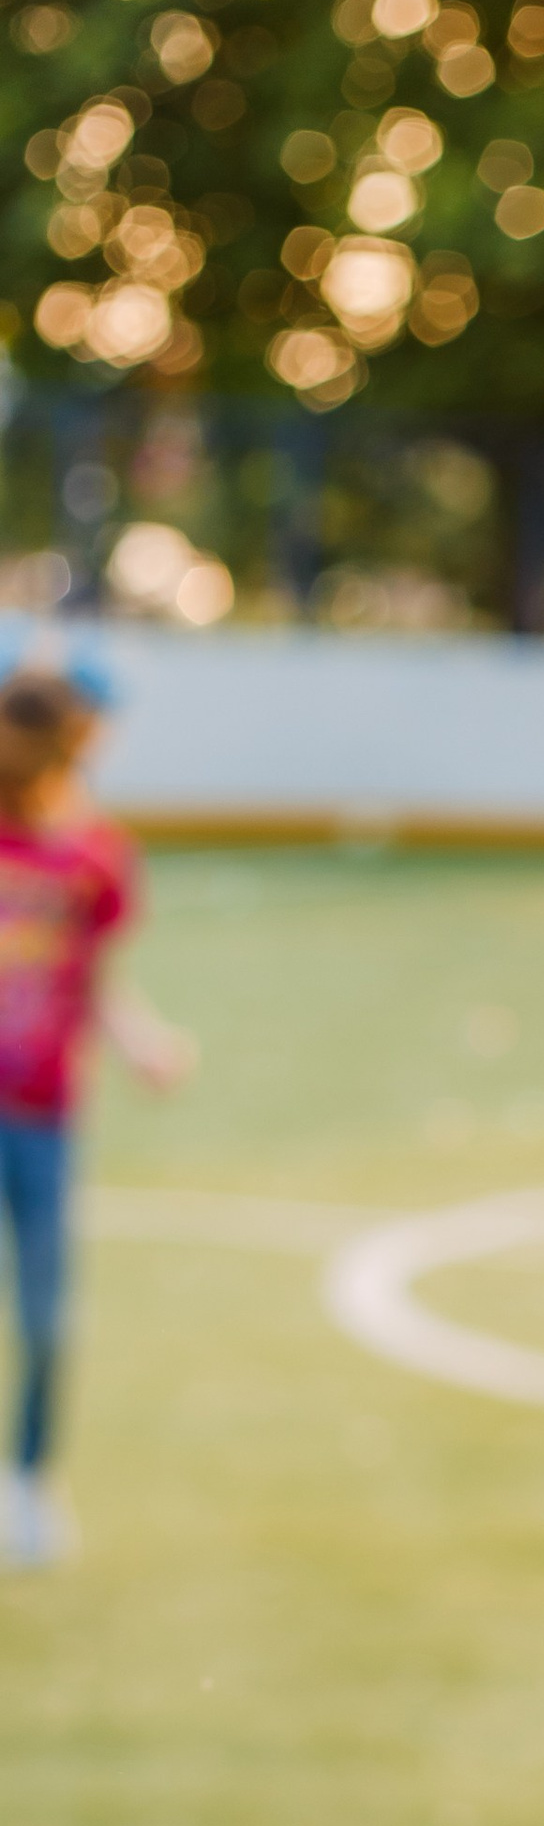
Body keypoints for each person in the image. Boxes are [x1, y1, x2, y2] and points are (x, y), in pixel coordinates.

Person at [0, 664, 191, 1569]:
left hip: (42, 1115)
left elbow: (101, 985)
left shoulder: (93, 856)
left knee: (44, 1317)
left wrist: (141, 1041)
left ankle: (30, 1480)